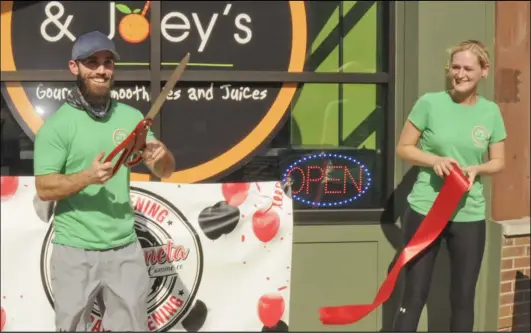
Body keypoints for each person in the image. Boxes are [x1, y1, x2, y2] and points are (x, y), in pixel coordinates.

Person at [33, 31, 176, 331]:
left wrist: (161, 156)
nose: (101, 70)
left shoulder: (130, 117)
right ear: (75, 67)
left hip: (124, 247)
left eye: (107, 62)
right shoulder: (57, 127)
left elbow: (165, 171)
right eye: (92, 62)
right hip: (74, 250)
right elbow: (44, 188)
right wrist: (87, 177)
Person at [393, 40, 506, 332]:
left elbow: (498, 162)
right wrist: (433, 160)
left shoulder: (491, 111)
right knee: (414, 295)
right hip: (426, 210)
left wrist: (476, 169)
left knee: (463, 298)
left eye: (468, 68)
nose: (460, 73)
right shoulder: (429, 103)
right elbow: (404, 148)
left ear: (484, 71)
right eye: (455, 67)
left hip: (469, 215)